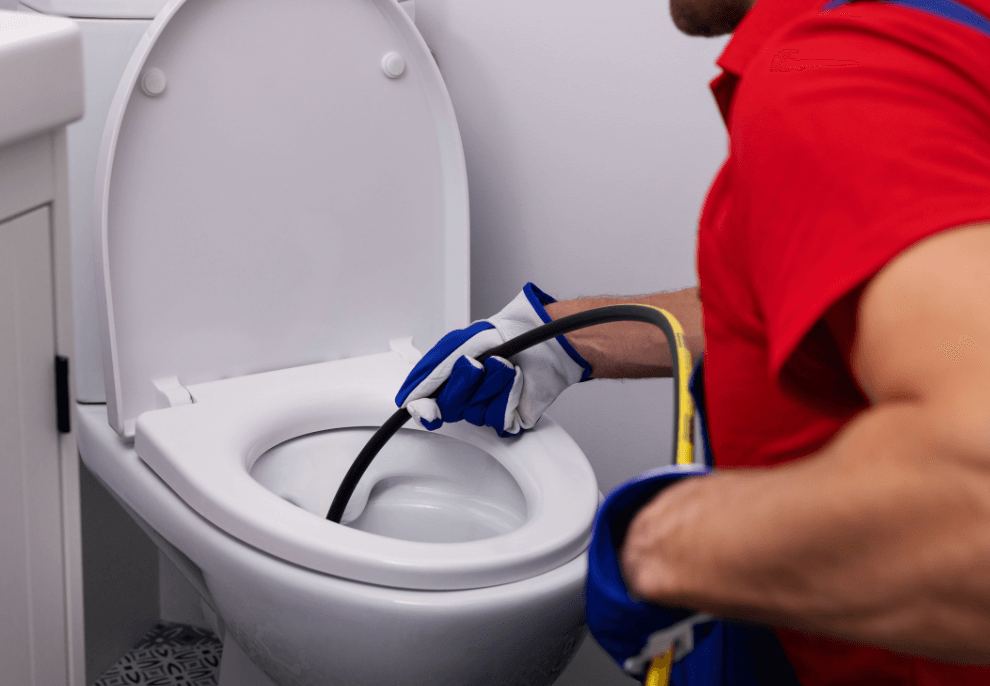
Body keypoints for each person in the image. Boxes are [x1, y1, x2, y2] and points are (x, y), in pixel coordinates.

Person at [394, 0, 990, 679]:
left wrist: (664, 548)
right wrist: (563, 338)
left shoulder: (842, 82)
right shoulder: (921, 34)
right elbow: (851, 298)